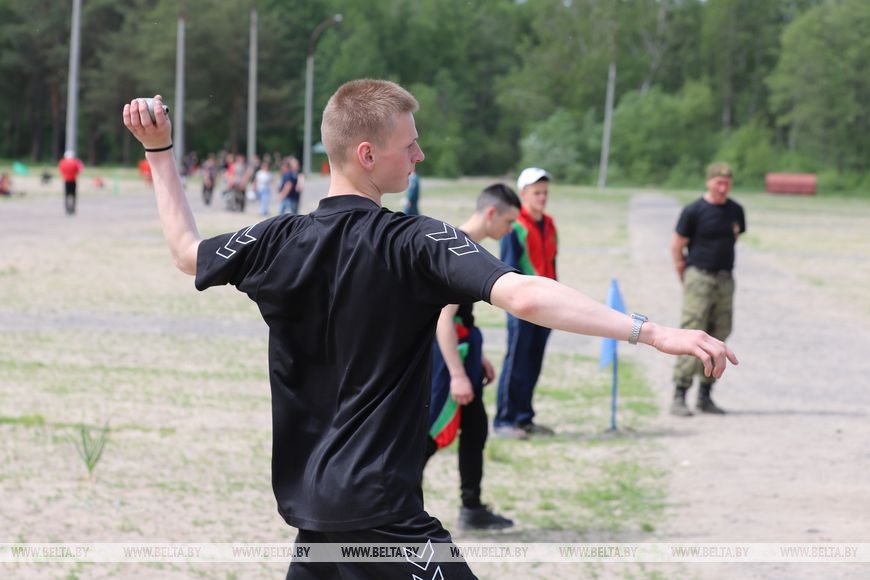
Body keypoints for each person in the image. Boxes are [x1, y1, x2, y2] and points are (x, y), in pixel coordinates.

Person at [123, 83, 736, 579]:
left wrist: (159, 152)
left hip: (315, 513)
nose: (420, 156)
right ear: (367, 154)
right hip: (381, 519)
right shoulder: (413, 240)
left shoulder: (278, 239)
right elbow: (522, 293)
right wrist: (651, 332)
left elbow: (185, 250)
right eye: (410, 146)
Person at [424, 183, 521, 531]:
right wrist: (457, 374)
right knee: (431, 432)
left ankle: (472, 507)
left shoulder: (467, 245)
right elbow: (442, 318)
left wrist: (475, 360)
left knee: (475, 428)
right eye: (509, 222)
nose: (509, 230)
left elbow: (461, 315)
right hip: (447, 357)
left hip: (464, 352)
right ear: (491, 213)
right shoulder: (459, 249)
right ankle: (395, 505)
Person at [670, 162, 746, 416]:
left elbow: (734, 237)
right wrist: (685, 273)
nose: (723, 187)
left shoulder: (735, 210)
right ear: (709, 182)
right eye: (718, 182)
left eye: (727, 183)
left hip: (725, 279)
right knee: (692, 333)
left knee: (719, 333)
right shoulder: (694, 210)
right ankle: (679, 394)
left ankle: (705, 394)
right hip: (699, 276)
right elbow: (677, 245)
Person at [493, 167, 558, 438]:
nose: (542, 197)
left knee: (533, 363)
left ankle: (524, 417)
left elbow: (552, 262)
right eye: (536, 193)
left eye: (545, 192)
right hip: (522, 307)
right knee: (516, 361)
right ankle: (504, 421)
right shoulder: (515, 226)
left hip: (548, 306)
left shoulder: (550, 223)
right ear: (523, 195)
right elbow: (507, 270)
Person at [58, 150, 84, 215]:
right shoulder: (76, 162)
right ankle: (73, 209)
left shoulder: (62, 162)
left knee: (67, 195)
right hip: (73, 180)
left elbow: (61, 171)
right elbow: (81, 169)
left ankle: (67, 209)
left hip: (66, 180)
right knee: (73, 195)